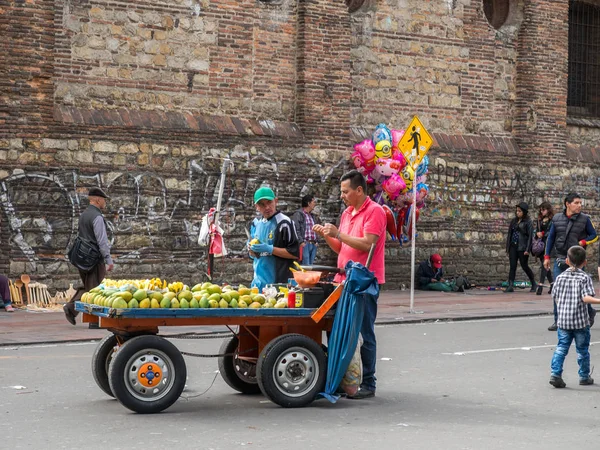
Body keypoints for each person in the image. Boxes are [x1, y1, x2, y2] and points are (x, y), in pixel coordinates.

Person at [313, 170, 386, 400]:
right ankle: (343, 378)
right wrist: (327, 235)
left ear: (359, 190)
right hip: (343, 278)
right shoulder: (346, 213)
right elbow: (341, 249)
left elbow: (367, 245)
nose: (342, 195)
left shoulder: (374, 211)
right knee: (338, 330)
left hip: (363, 281)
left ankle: (368, 382)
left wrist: (339, 234)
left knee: (364, 332)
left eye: (345, 191)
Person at [544, 192, 597, 331]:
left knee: (580, 290)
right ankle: (557, 320)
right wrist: (547, 256)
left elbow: (595, 235)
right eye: (576, 203)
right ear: (568, 204)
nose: (579, 205)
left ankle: (590, 311)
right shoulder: (557, 218)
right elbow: (550, 238)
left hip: (577, 259)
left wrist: (584, 242)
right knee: (558, 288)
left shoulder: (585, 219)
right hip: (561, 257)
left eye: (580, 203)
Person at [548, 245, 600, 388]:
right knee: (582, 350)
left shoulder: (559, 277)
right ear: (585, 262)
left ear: (567, 260)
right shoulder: (584, 277)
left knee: (561, 347)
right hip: (580, 322)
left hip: (563, 321)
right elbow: (586, 298)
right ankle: (584, 376)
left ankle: (555, 373)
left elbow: (555, 297)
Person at [63, 187, 114, 325]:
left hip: (82, 257)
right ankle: (90, 320)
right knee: (96, 290)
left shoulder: (84, 214)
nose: (105, 203)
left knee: (89, 287)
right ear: (98, 199)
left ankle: (72, 309)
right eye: (104, 200)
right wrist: (108, 260)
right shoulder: (97, 217)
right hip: (94, 259)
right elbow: (102, 241)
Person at [248, 186, 300, 291]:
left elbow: (294, 253)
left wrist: (269, 249)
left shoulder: (284, 223)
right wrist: (252, 251)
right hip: (258, 284)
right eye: (262, 204)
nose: (267, 207)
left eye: (269, 202)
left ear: (276, 201)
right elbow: (254, 256)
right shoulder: (255, 223)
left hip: (279, 285)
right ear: (256, 206)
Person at [504, 202, 537, 293]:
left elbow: (530, 236)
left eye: (519, 211)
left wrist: (527, 249)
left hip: (522, 247)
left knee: (524, 265)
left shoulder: (528, 222)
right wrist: (508, 247)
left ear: (524, 212)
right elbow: (510, 234)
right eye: (517, 211)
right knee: (512, 266)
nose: (517, 212)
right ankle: (510, 285)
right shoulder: (514, 221)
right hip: (513, 246)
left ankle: (533, 283)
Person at [291, 194, 321, 266]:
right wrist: (301, 242)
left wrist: (317, 241)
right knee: (305, 266)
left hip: (313, 244)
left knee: (311, 266)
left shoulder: (312, 216)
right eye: (313, 201)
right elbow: (296, 229)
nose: (315, 203)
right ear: (308, 203)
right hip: (305, 244)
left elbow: (317, 229)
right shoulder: (298, 214)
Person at [534, 202, 554, 295]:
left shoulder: (552, 220)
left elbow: (552, 232)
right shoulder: (540, 220)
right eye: (541, 210)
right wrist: (537, 233)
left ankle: (540, 285)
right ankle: (552, 284)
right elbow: (537, 230)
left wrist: (543, 233)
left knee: (544, 265)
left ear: (548, 210)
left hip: (548, 244)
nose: (542, 212)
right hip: (541, 244)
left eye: (544, 210)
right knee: (545, 265)